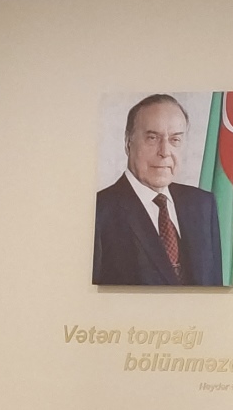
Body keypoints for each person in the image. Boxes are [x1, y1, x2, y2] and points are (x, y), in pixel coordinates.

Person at [93, 94, 224, 287]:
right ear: (128, 143)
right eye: (152, 138)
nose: (164, 152)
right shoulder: (99, 211)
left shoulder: (202, 205)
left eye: (175, 139)